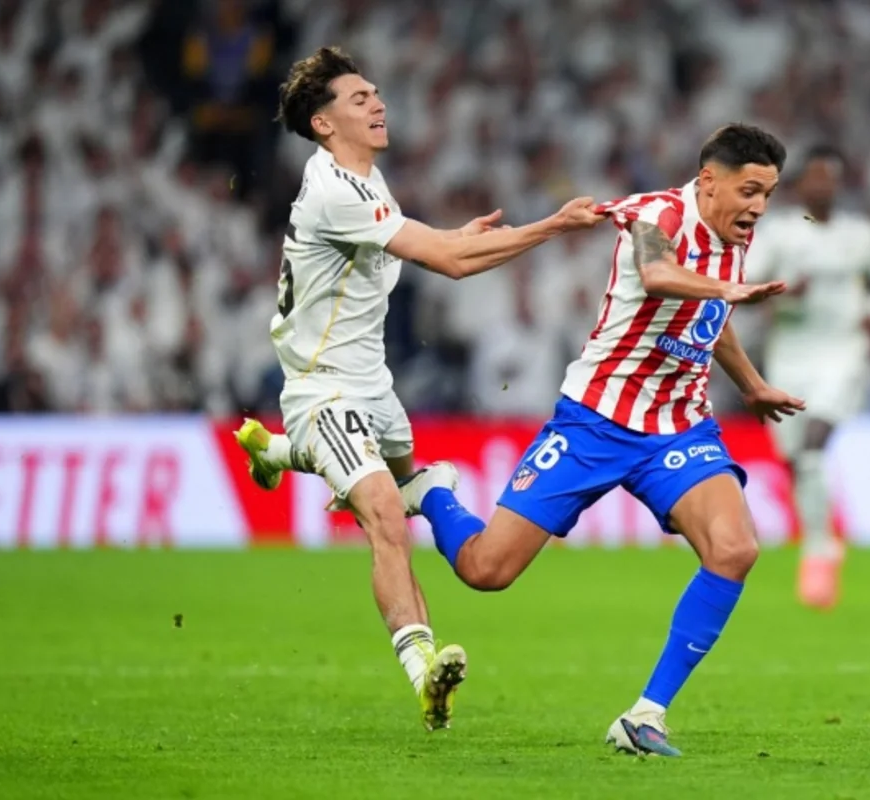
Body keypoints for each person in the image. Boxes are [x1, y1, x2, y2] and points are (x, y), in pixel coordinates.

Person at [393, 123, 806, 756]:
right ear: (708, 181)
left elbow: (709, 317)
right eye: (750, 191)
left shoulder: (733, 239)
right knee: (485, 571)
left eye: (769, 195)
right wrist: (728, 289)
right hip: (595, 421)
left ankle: (645, 716)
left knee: (735, 549)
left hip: (678, 425)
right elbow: (659, 274)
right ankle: (433, 492)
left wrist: (751, 384)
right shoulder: (658, 215)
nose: (759, 207)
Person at [235, 46, 603, 733]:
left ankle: (278, 452)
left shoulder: (364, 181)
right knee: (384, 512)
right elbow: (452, 265)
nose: (378, 102)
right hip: (324, 390)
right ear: (323, 124)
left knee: (401, 494)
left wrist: (452, 237)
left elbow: (428, 249)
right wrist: (551, 226)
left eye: (376, 92)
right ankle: (424, 670)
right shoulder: (337, 191)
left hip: (374, 386)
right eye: (359, 98)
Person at [745, 144, 870, 609]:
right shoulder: (780, 234)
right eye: (816, 176)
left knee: (813, 445)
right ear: (800, 183)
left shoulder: (861, 235)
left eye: (831, 176)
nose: (824, 184)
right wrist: (785, 293)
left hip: (844, 352)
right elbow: (744, 289)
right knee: (796, 461)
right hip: (790, 355)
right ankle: (822, 539)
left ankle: (816, 552)